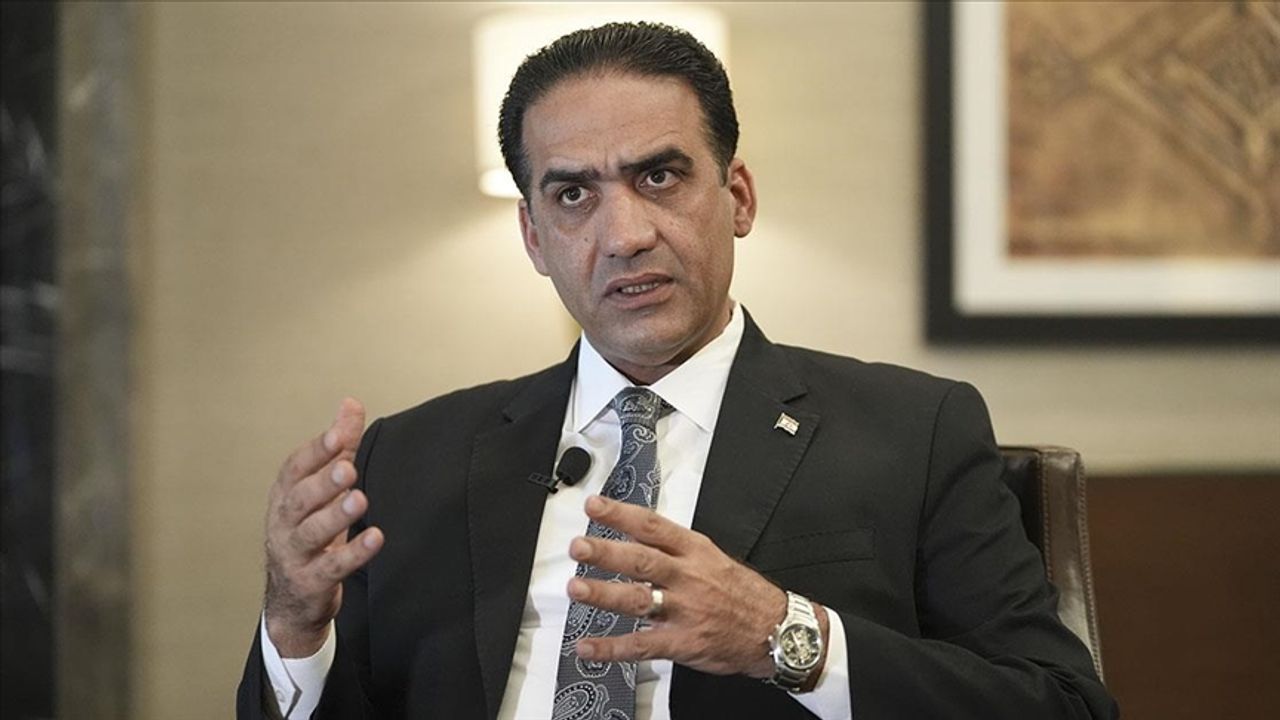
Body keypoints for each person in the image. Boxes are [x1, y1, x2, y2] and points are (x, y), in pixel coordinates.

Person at [237, 22, 1118, 720]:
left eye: (658, 176)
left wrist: (785, 636)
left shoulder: (912, 432)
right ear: (534, 238)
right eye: (573, 194)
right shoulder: (409, 458)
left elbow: (1062, 705)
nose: (624, 235)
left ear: (738, 198)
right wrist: (294, 626)